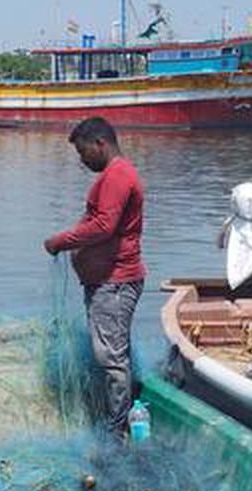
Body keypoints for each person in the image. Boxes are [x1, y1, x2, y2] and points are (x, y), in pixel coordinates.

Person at [44, 117, 146, 442]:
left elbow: (104, 225)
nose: (82, 159)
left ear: (99, 142)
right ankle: (120, 420)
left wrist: (61, 240)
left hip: (114, 283)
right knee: (115, 354)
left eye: (82, 151)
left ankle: (115, 433)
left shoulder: (117, 175)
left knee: (111, 360)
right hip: (107, 282)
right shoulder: (115, 174)